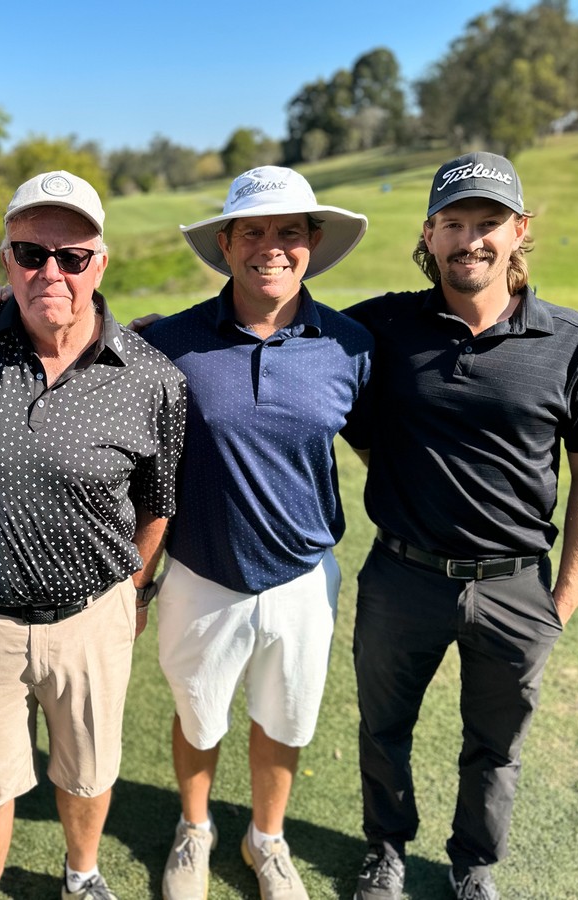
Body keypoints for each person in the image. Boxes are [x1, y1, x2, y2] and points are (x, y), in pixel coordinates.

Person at [343, 151, 578, 900]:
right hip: (402, 576)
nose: (469, 239)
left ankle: (473, 864)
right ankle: (385, 850)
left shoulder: (571, 341)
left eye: (487, 222)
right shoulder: (383, 325)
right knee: (383, 729)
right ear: (428, 234)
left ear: (519, 231)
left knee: (496, 745)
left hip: (515, 587)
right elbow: (276, 328)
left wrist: (562, 602)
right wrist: (150, 331)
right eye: (452, 223)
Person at [0, 171, 187, 900]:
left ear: (101, 264)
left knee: (88, 770)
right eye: (31, 253)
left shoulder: (153, 378)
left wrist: (133, 594)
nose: (51, 272)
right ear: (6, 259)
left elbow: (157, 504)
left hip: (91, 616)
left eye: (72, 257)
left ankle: (81, 874)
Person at [138, 167, 372, 900]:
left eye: (288, 232)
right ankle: (195, 827)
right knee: (197, 716)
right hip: (201, 576)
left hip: (304, 578)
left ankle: (266, 838)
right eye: (253, 232)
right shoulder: (169, 342)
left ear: (313, 242)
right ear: (226, 244)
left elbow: (381, 448)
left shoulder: (350, 346)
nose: (271, 246)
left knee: (286, 720)